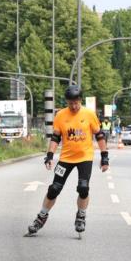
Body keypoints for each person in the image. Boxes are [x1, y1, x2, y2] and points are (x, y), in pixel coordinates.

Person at [26, 85, 109, 237]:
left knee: (83, 188)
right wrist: (50, 155)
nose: (74, 106)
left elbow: (100, 135)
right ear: (67, 102)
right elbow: (56, 137)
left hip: (85, 157)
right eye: (70, 103)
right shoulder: (60, 115)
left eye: (76, 103)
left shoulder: (89, 114)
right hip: (66, 158)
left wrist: (104, 157)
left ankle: (81, 216)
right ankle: (41, 217)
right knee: (54, 188)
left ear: (80, 100)